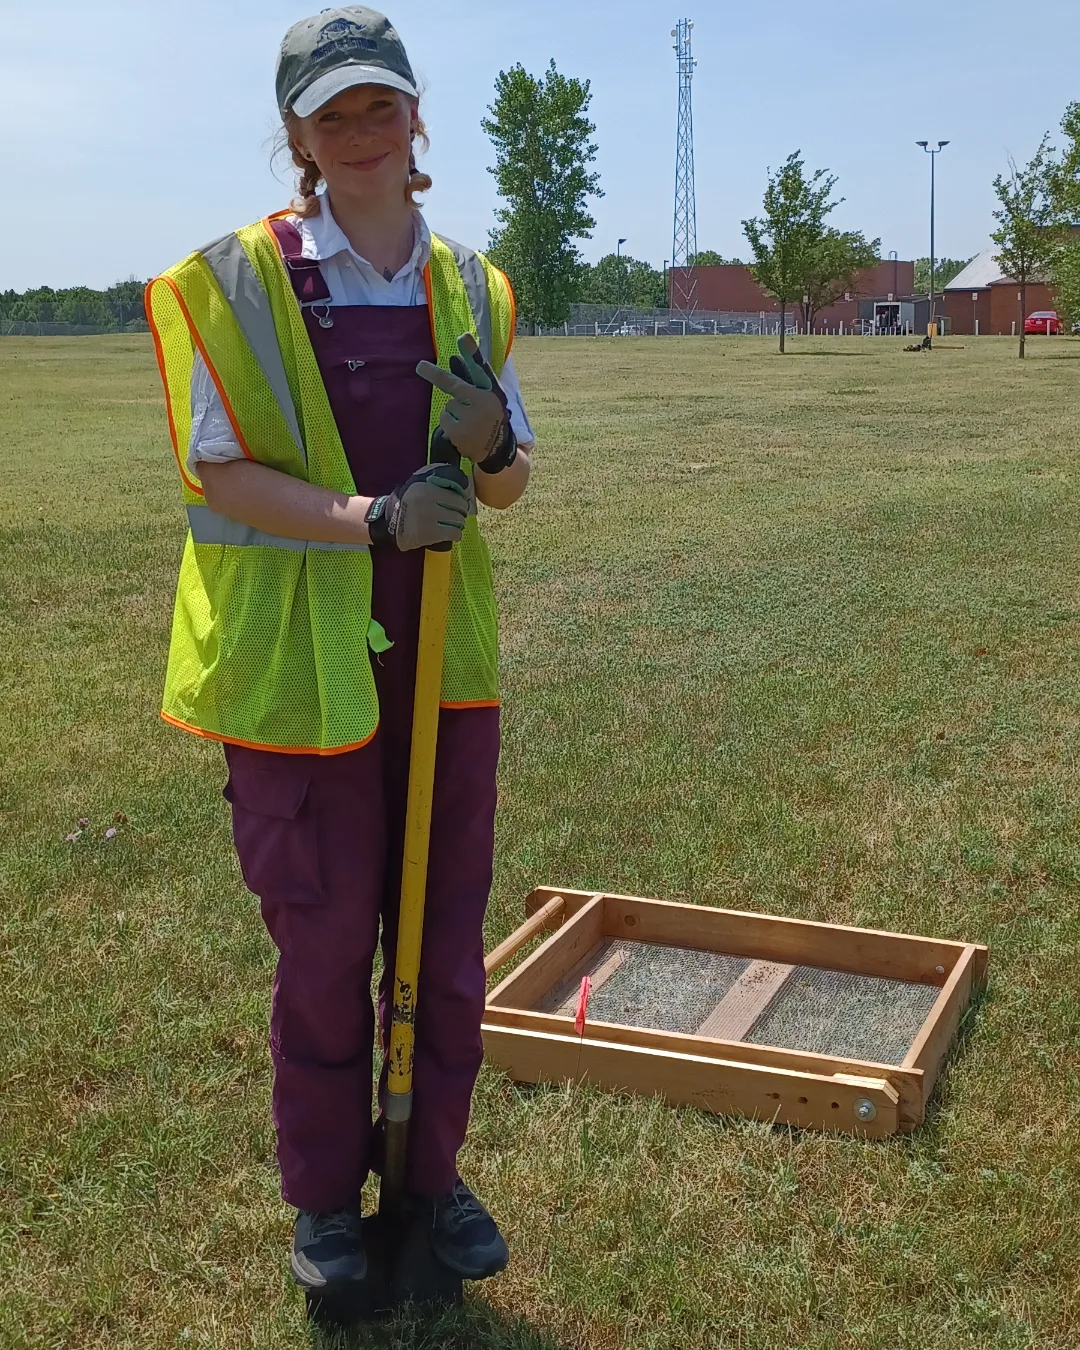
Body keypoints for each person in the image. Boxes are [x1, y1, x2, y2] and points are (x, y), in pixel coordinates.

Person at [145, 5, 533, 1295]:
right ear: (296, 135)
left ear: (417, 118)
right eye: (334, 111)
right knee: (322, 943)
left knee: (441, 931)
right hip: (298, 671)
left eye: (382, 105)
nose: (361, 131)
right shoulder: (240, 281)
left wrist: (488, 447)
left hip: (442, 663)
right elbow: (217, 471)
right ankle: (323, 1200)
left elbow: (510, 482)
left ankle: (431, 1175)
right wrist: (368, 519)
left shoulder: (473, 285)